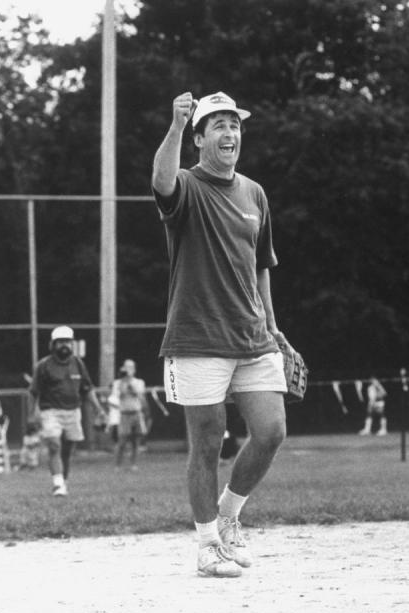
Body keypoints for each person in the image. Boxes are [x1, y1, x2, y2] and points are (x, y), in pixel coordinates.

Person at [152, 90, 291, 578]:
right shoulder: (187, 185)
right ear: (199, 139)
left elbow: (261, 266)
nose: (230, 133)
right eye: (218, 126)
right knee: (207, 442)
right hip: (197, 336)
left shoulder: (255, 193)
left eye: (234, 125)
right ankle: (207, 545)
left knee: (271, 431)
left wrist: (273, 326)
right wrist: (175, 123)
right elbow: (161, 180)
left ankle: (230, 515)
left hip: (253, 335)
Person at [28, 325, 103, 496]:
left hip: (73, 411)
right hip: (50, 411)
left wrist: (99, 409)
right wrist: (31, 415)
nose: (65, 345)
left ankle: (63, 481)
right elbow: (33, 392)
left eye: (68, 342)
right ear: (53, 345)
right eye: (60, 342)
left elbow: (87, 388)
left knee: (67, 451)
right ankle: (58, 483)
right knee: (54, 445)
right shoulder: (44, 365)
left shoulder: (78, 363)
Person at [112, 359, 147, 471]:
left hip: (136, 413)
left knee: (136, 441)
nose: (128, 370)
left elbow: (140, 395)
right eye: (126, 367)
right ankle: (117, 465)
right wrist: (124, 381)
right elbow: (118, 395)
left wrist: (131, 385)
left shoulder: (139, 382)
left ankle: (134, 464)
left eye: (131, 367)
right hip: (124, 414)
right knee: (122, 441)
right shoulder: (118, 383)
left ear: (134, 369)